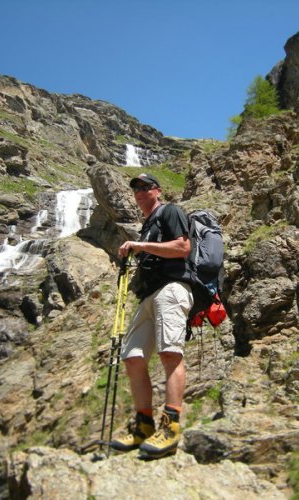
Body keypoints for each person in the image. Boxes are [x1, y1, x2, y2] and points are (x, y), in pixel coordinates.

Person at [110, 172, 193, 458]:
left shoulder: (171, 211)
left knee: (170, 353)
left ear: (157, 191)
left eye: (146, 188)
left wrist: (141, 245)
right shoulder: (147, 226)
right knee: (132, 357)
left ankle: (170, 428)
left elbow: (183, 247)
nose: (140, 193)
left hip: (172, 288)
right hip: (149, 295)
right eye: (136, 189)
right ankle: (144, 425)